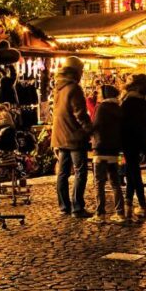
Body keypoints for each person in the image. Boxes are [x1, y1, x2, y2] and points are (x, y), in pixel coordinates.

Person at [52, 56, 93, 218]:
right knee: (80, 171)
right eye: (81, 71)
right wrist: (90, 129)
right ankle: (77, 207)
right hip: (74, 136)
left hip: (60, 136)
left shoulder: (58, 87)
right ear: (76, 71)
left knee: (62, 173)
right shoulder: (74, 88)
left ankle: (63, 206)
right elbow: (80, 114)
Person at [91, 84, 125, 224]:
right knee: (115, 182)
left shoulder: (101, 108)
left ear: (105, 94)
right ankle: (120, 213)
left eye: (99, 93)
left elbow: (96, 126)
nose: (98, 95)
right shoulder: (119, 109)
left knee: (99, 182)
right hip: (115, 151)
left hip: (100, 149)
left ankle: (100, 214)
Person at [121, 74, 146, 220]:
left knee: (134, 172)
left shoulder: (129, 101)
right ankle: (128, 203)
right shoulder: (144, 102)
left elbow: (125, 122)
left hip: (129, 139)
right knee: (131, 170)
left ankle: (142, 205)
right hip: (141, 141)